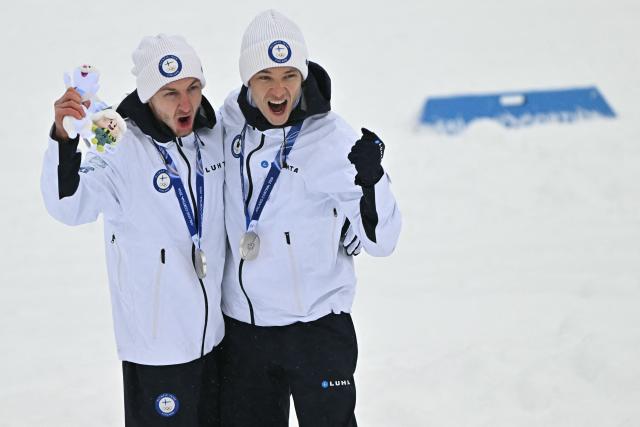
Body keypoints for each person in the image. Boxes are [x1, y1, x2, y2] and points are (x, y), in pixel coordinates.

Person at [218, 10, 402, 427]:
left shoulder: (333, 138)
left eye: (289, 75)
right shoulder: (227, 122)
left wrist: (373, 183)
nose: (279, 89)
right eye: (265, 76)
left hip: (316, 329)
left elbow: (383, 240)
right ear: (248, 81)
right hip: (246, 331)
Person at [41, 34, 225, 426]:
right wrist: (64, 140)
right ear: (147, 97)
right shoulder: (121, 149)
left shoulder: (213, 140)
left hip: (217, 344)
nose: (186, 103)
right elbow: (70, 205)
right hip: (157, 353)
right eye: (170, 93)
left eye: (193, 88)